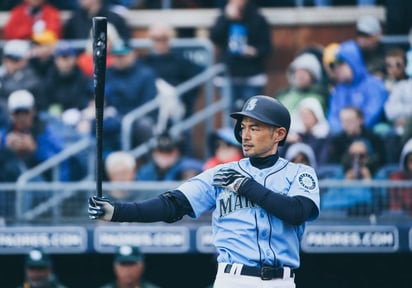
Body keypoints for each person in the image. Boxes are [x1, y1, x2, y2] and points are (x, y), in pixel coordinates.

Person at [89, 95, 320, 288]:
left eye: (255, 128)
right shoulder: (221, 173)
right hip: (233, 279)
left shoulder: (300, 173)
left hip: (281, 280)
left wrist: (246, 186)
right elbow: (173, 204)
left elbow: (297, 212)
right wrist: (117, 211)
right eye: (243, 128)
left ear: (279, 134)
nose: (245, 135)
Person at [210, 0, 272, 112]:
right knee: (230, 114)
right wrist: (227, 18)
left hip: (251, 75)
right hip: (229, 74)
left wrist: (254, 51)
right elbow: (215, 37)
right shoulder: (224, 17)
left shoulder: (257, 18)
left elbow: (266, 47)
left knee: (251, 113)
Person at [141, 22, 203, 120]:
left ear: (169, 39)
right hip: (148, 107)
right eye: (156, 39)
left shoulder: (182, 63)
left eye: (164, 38)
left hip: (175, 108)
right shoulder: (143, 63)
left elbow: (193, 88)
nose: (160, 42)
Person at [326, 40, 388, 134]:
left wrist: (355, 127)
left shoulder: (374, 84)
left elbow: (373, 112)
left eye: (341, 65)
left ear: (353, 62)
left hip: (368, 133)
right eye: (335, 66)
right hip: (343, 136)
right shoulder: (339, 89)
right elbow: (332, 116)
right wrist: (343, 130)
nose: (337, 69)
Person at [321, 138, 377, 216]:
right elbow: (326, 203)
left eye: (361, 156)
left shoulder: (377, 175)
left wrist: (369, 184)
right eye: (353, 156)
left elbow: (382, 206)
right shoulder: (340, 174)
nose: (357, 159)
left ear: (368, 157)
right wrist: (345, 184)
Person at [136, 133, 203, 181]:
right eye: (160, 151)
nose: (164, 155)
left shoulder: (187, 166)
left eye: (169, 151)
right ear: (153, 153)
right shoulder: (146, 171)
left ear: (177, 152)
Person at [63, 0, 131, 43]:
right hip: (81, 61)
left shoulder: (114, 18)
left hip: (112, 60)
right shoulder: (75, 19)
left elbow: (124, 42)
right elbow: (68, 41)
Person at [386, 138, 412, 216]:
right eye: (411, 160)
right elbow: (395, 209)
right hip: (403, 223)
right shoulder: (396, 179)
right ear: (405, 162)